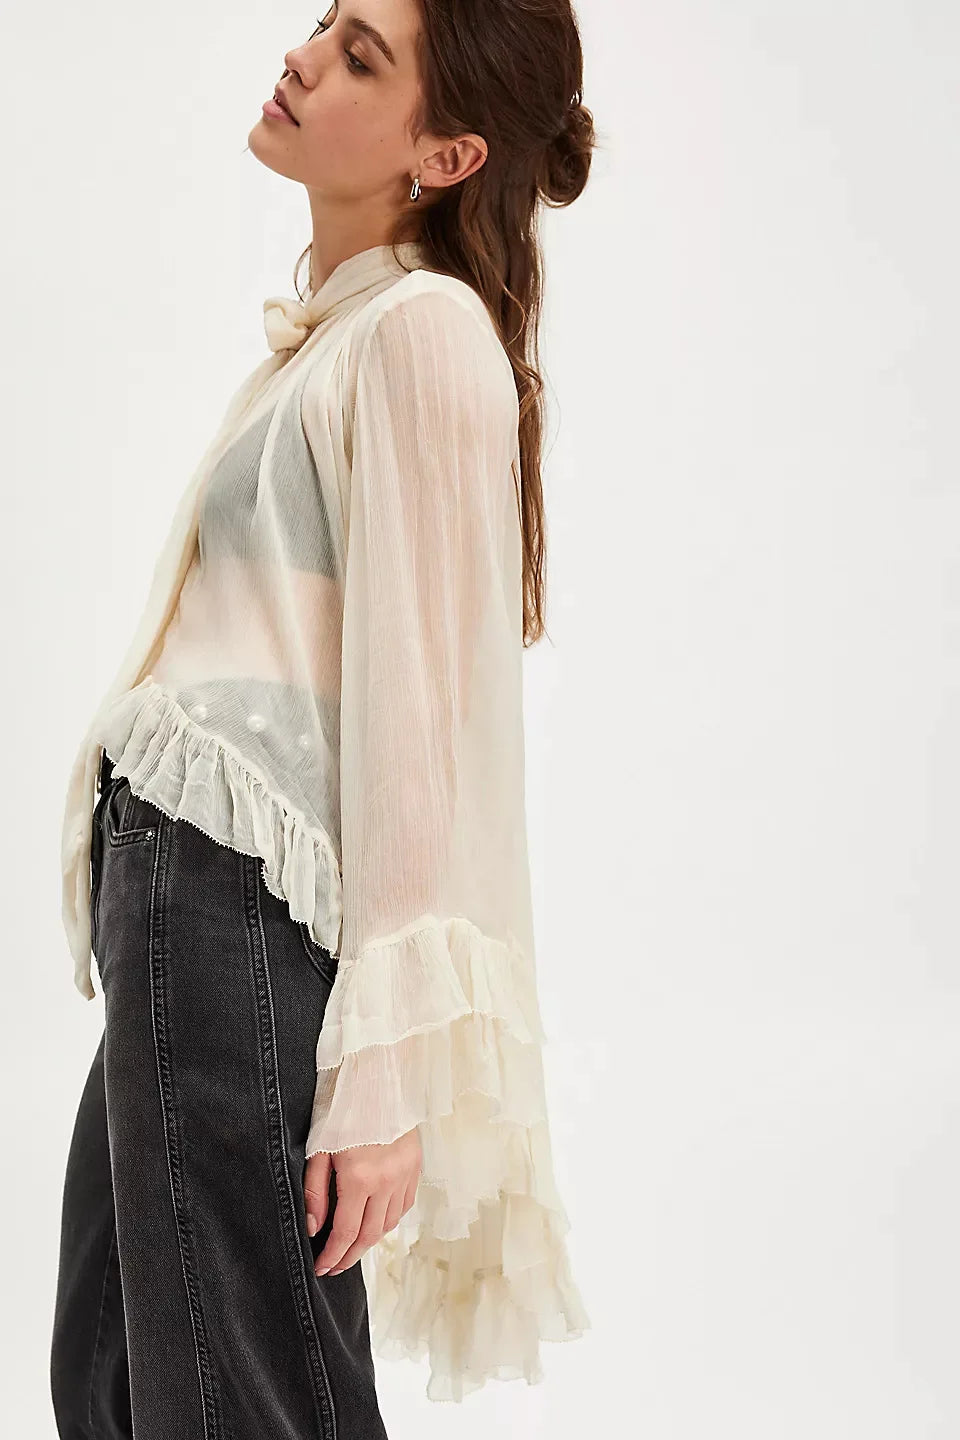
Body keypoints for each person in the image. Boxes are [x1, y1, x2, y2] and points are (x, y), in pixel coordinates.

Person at [51, 1, 595, 1433]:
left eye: (364, 57)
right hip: (181, 896)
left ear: (447, 150)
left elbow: (419, 719)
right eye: (324, 24)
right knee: (118, 1384)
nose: (303, 56)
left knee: (241, 1395)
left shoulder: (423, 335)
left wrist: (379, 1074)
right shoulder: (337, 340)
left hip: (232, 907)